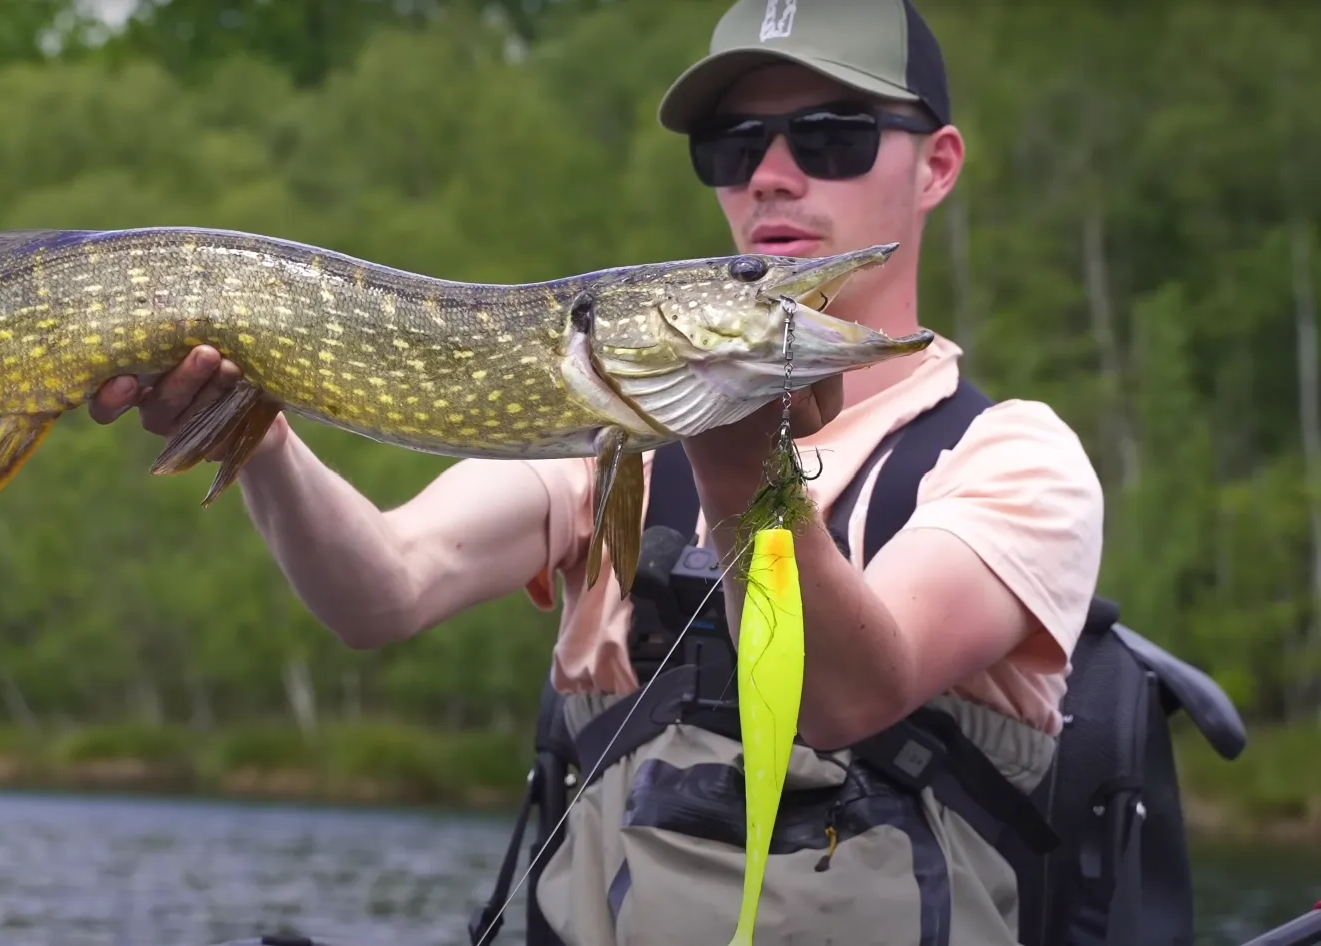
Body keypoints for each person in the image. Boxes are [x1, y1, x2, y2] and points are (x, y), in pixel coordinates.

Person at [90, 0, 1104, 942]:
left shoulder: (1006, 457)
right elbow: (384, 589)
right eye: (733, 145)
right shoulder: (608, 428)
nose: (771, 175)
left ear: (934, 165)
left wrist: (739, 470)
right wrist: (253, 433)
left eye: (830, 136)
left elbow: (845, 695)